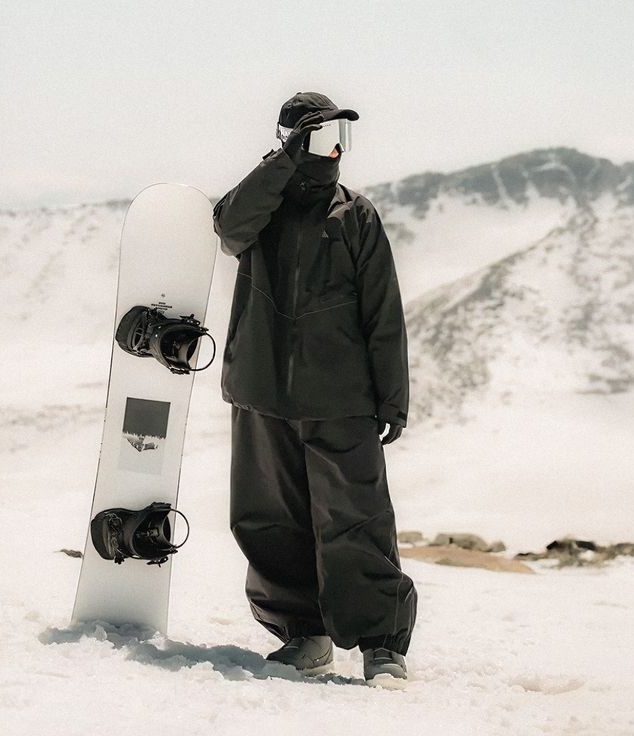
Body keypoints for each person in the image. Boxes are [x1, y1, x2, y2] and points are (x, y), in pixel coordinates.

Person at [212, 91, 417, 687]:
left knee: (357, 522)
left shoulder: (354, 213)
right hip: (262, 391)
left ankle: (382, 646)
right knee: (269, 520)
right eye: (323, 139)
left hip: (342, 400)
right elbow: (228, 227)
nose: (335, 154)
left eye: (340, 141)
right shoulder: (262, 207)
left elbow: (385, 312)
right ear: (291, 141)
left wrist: (392, 397)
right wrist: (281, 161)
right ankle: (305, 637)